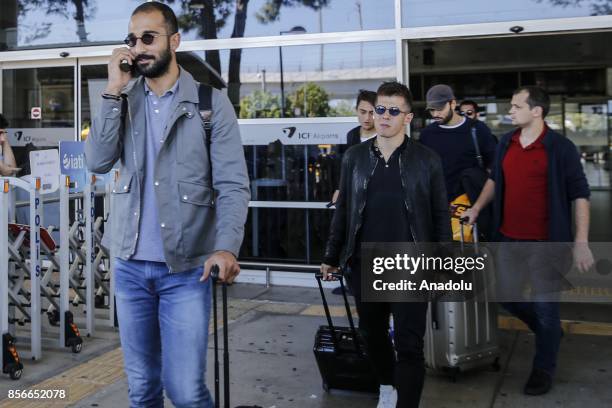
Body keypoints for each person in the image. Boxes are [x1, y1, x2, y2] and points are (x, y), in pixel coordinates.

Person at [84, 2, 250, 407]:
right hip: (129, 268)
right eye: (131, 39)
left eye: (148, 37)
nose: (138, 47)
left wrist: (226, 246)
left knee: (185, 391)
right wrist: (111, 90)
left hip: (186, 270)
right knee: (142, 390)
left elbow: (232, 184)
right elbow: (97, 160)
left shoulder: (209, 103)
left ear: (174, 41)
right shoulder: (120, 98)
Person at [321, 81, 451, 408]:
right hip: (366, 264)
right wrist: (331, 255)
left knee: (409, 346)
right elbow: (345, 211)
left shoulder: (428, 160)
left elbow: (439, 216)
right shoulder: (354, 158)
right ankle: (387, 386)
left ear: (407, 118)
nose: (384, 116)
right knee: (373, 336)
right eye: (380, 109)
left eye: (394, 110)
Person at [463, 86, 594, 396]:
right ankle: (550, 334)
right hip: (508, 239)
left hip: (547, 244)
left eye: (516, 106)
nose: (510, 110)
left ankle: (543, 368)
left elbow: (580, 195)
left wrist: (582, 241)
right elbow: (495, 179)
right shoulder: (506, 142)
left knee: (546, 309)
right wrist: (477, 208)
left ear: (537, 111)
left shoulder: (560, 148)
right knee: (505, 297)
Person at [331, 89, 377, 204]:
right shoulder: (351, 135)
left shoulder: (385, 136)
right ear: (356, 111)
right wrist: (339, 188)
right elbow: (345, 166)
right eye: (363, 112)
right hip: (355, 196)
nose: (367, 118)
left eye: (372, 113)